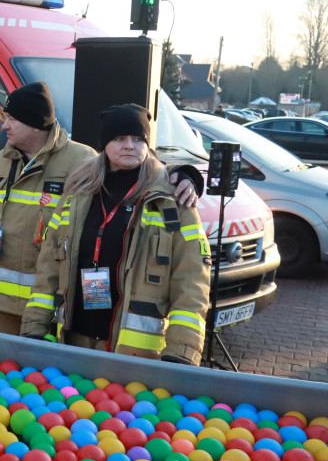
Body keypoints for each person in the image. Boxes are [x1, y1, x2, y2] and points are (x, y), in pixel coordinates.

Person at [0, 82, 202, 335]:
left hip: (47, 308)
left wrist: (182, 174)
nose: (4, 125)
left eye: (12, 118)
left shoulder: (79, 161)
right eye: (119, 138)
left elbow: (130, 166)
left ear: (35, 123)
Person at [20, 104, 211, 366]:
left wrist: (182, 352)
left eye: (137, 138)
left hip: (137, 356)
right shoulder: (78, 193)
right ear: (105, 145)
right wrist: (34, 327)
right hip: (74, 341)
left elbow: (192, 281)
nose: (129, 145)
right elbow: (49, 266)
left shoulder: (173, 199)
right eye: (119, 138)